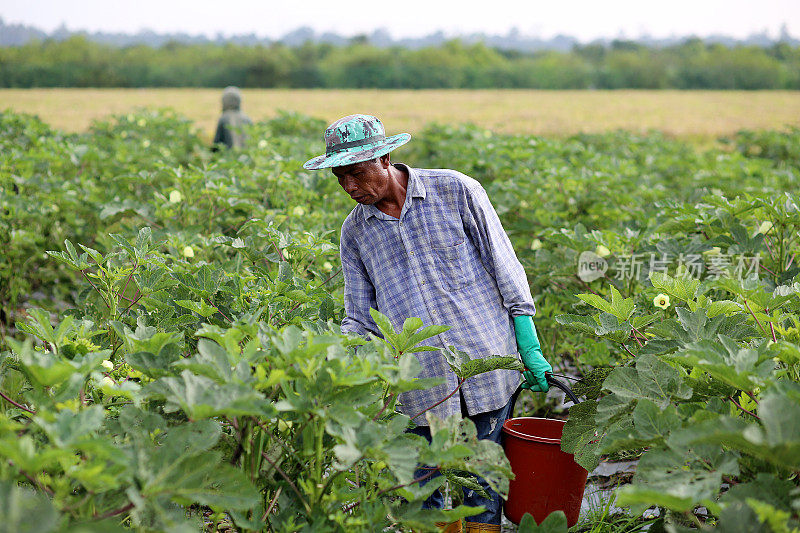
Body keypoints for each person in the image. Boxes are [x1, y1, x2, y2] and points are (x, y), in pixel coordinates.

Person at [303, 114, 553, 533]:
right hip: (417, 383)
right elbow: (360, 317)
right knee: (420, 492)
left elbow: (505, 266)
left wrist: (527, 341)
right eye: (339, 177)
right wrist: (337, 366)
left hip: (484, 363)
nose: (349, 187)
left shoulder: (455, 190)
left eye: (356, 174)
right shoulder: (355, 233)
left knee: (482, 486)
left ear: (385, 158)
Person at [211, 86, 252, 150]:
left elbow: (216, 144)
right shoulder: (247, 119)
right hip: (247, 156)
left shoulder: (223, 119)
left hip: (229, 157)